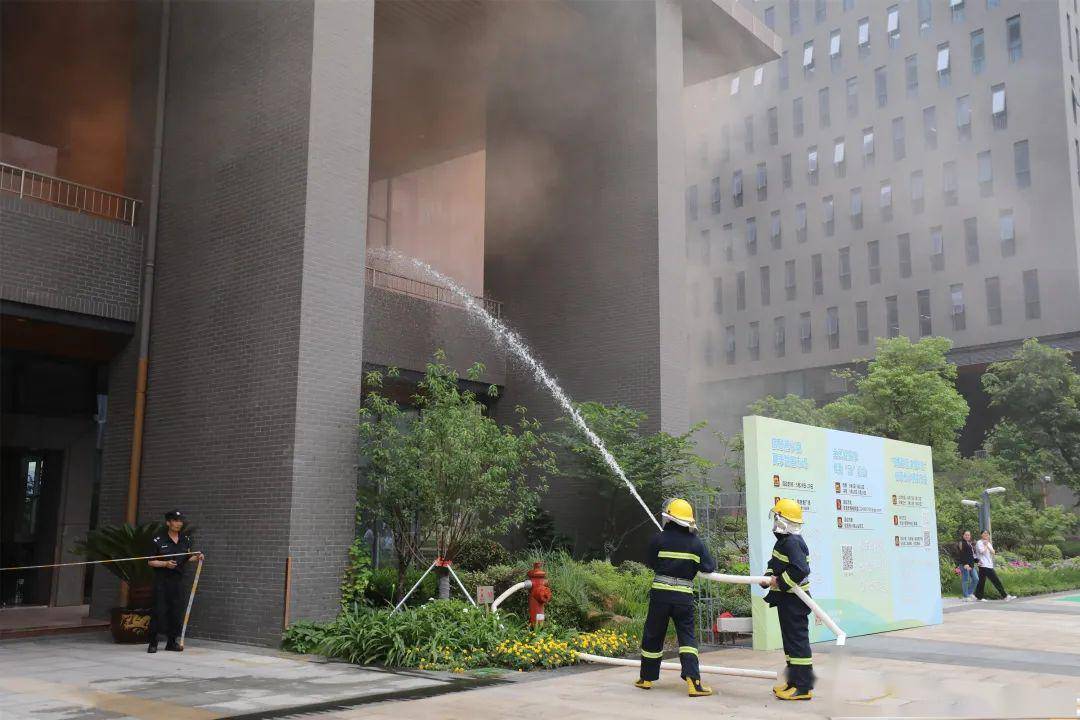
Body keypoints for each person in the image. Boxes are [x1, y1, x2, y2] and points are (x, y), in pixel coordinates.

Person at [635, 498, 716, 697]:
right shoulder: (696, 544)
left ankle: (646, 678)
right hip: (683, 599)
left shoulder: (658, 539)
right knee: (687, 638)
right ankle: (693, 682)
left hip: (660, 596)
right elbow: (709, 567)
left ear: (669, 518)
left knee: (653, 635)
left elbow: (651, 562)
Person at [761, 498, 813, 701]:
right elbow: (775, 563)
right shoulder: (783, 542)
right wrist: (767, 577)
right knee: (790, 643)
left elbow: (800, 569)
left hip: (795, 600)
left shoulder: (792, 542)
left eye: (777, 517)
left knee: (798, 642)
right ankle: (793, 682)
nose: (774, 521)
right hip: (787, 599)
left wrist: (779, 582)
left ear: (783, 521)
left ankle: (803, 687)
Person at [147, 510, 202, 653]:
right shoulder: (158, 539)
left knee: (176, 612)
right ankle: (153, 643)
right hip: (162, 581)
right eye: (175, 520)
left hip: (177, 581)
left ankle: (171, 642)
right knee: (159, 612)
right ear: (168, 523)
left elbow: (186, 558)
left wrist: (197, 557)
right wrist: (165, 564)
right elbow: (151, 562)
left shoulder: (186, 539)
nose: (179, 523)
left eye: (180, 521)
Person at [974, 530, 1016, 602]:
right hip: (984, 564)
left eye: (987, 534)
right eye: (985, 533)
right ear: (981, 535)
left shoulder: (988, 543)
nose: (986, 535)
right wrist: (986, 545)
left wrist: (988, 544)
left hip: (989, 564)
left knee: (981, 581)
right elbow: (982, 552)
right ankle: (1005, 596)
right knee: (996, 580)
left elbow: (993, 552)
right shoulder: (979, 542)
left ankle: (978, 596)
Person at [956, 530, 979, 602]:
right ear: (963, 535)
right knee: (965, 580)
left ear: (970, 536)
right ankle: (966, 596)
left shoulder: (969, 544)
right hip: (964, 565)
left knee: (976, 579)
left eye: (968, 535)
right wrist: (965, 564)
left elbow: (971, 555)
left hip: (971, 565)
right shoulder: (962, 543)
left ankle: (969, 593)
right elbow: (962, 554)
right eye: (966, 535)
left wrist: (977, 561)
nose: (967, 536)